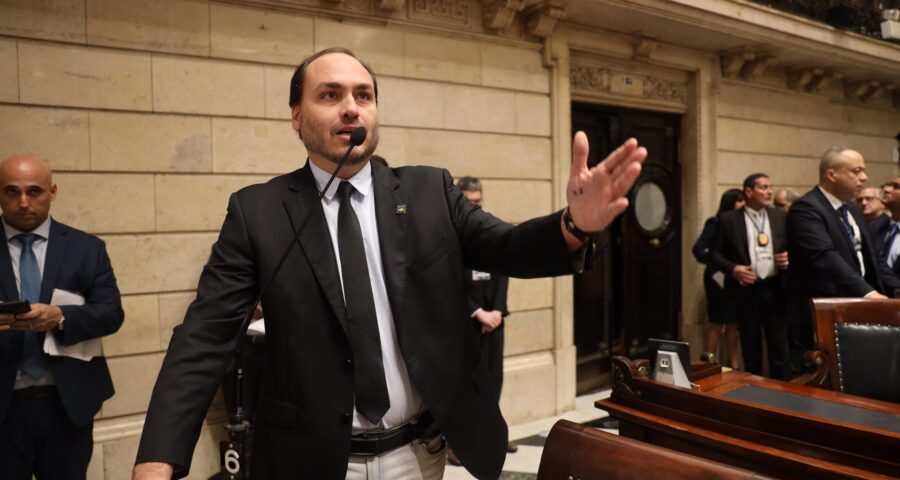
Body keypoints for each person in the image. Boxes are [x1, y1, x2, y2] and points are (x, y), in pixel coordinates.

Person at [133, 48, 647, 480]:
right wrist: (159, 455)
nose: (351, 108)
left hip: (419, 454)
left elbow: (507, 245)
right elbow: (204, 336)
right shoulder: (258, 212)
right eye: (330, 95)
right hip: (313, 462)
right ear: (296, 115)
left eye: (364, 95)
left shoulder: (429, 191)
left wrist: (574, 224)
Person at [0, 154, 124, 480]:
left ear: (52, 191)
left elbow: (111, 314)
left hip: (67, 406)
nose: (24, 202)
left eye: (35, 191)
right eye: (12, 191)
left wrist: (60, 317)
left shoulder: (87, 248)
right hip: (3, 409)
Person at [786, 148, 900, 379]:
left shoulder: (852, 210)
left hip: (855, 313)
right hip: (820, 319)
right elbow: (824, 258)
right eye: (857, 171)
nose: (864, 177)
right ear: (832, 175)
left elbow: (873, 261)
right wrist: (870, 295)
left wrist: (895, 290)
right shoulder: (807, 209)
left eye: (864, 171)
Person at [452, 176, 516, 464]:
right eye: (469, 202)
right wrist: (477, 312)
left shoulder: (487, 229)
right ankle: (459, 446)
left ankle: (493, 439)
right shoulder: (449, 235)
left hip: (494, 320)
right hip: (465, 323)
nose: (475, 207)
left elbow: (503, 271)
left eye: (479, 201)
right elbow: (448, 283)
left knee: (493, 379)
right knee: (466, 384)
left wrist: (497, 313)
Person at [708, 174, 789, 379]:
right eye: (763, 187)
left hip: (775, 288)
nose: (769, 192)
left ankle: (782, 394)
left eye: (770, 187)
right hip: (745, 290)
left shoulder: (780, 217)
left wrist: (789, 259)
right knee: (750, 349)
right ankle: (754, 396)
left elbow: (794, 247)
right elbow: (714, 254)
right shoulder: (728, 220)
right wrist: (733, 269)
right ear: (748, 192)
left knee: (778, 347)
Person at [692, 188, 744, 370]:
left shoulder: (740, 223)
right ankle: (709, 362)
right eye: (740, 201)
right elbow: (698, 249)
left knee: (733, 322)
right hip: (717, 277)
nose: (743, 204)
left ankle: (733, 362)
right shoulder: (715, 222)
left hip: (735, 278)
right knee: (717, 320)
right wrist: (716, 262)